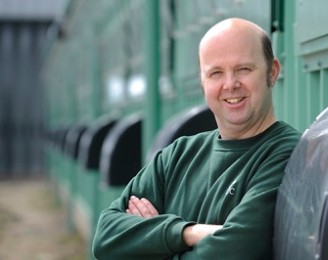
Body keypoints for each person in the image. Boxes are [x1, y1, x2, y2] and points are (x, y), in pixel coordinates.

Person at [92, 17, 301, 259]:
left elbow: (232, 251)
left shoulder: (286, 155)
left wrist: (154, 245)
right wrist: (188, 232)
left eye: (243, 69)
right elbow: (105, 238)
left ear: (272, 72)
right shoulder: (177, 155)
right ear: (202, 83)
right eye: (216, 73)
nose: (230, 84)